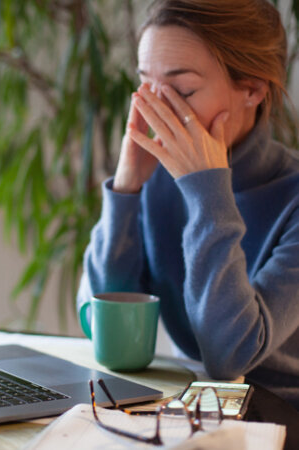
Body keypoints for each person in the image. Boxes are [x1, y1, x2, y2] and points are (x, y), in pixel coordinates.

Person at [76, 0, 299, 411]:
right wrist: (126, 189)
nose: (157, 110)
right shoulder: (159, 178)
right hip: (192, 407)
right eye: (146, 86)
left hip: (280, 413)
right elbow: (104, 330)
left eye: (182, 91)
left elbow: (229, 356)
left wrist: (208, 192)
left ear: (252, 89)